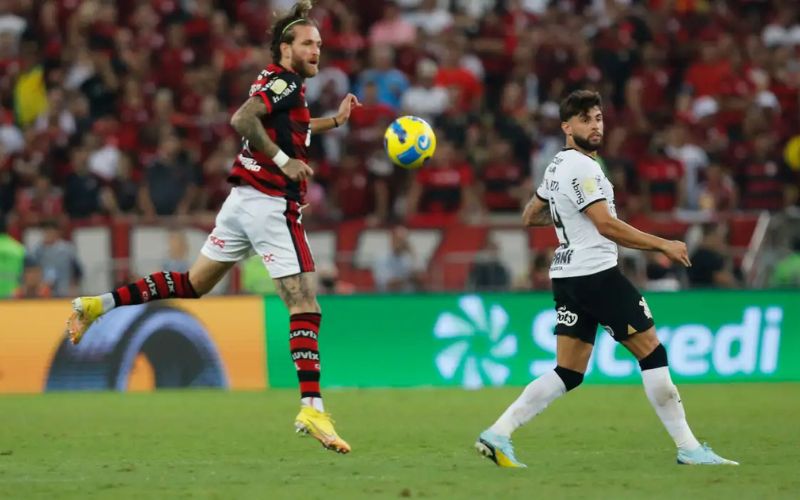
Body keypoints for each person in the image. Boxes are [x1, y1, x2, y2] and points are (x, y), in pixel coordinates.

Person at [66, 1, 360, 455]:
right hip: (268, 203)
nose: (317, 50)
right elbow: (242, 119)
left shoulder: (278, 81)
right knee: (305, 303)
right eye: (308, 43)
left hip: (241, 200)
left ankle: (96, 305)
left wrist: (333, 122)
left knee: (194, 282)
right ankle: (312, 407)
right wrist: (286, 162)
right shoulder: (284, 82)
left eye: (319, 44)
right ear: (286, 48)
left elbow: (287, 127)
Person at [475, 90, 737, 467]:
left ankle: (498, 433)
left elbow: (531, 215)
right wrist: (662, 244)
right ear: (567, 127)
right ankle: (690, 448)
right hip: (596, 274)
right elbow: (606, 225)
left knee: (568, 370)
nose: (595, 125)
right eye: (585, 119)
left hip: (566, 276)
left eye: (598, 118)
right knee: (652, 352)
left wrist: (567, 213)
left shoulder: (556, 165)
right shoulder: (582, 167)